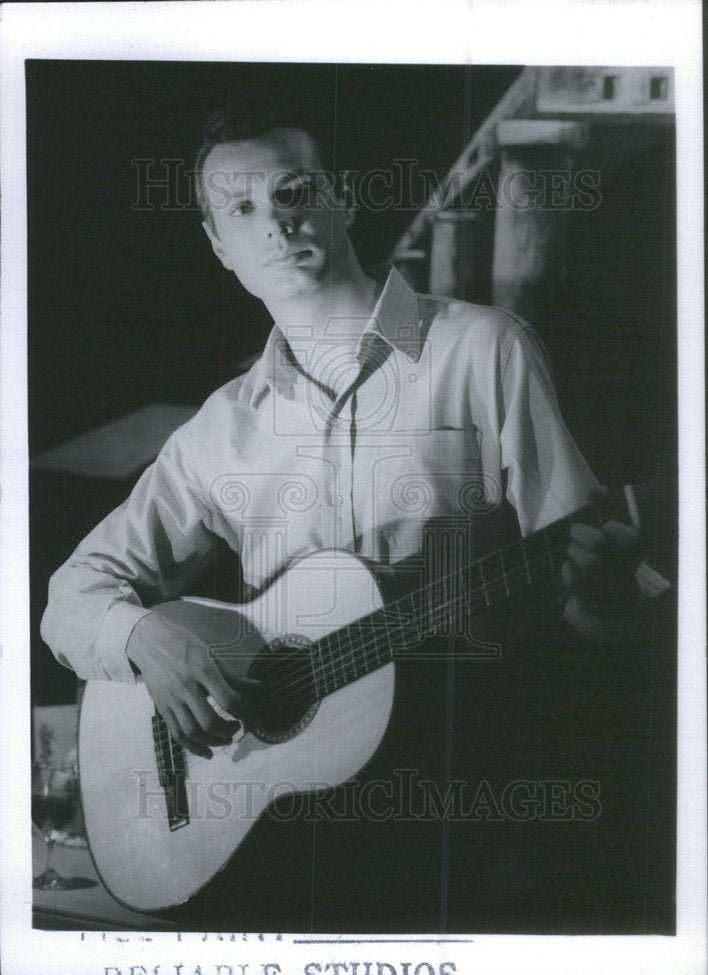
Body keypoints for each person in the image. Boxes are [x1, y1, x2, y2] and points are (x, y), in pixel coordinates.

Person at [40, 109, 657, 925]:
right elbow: (67, 598)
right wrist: (141, 636)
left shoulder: (484, 350)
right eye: (242, 210)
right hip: (277, 829)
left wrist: (609, 591)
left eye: (295, 192)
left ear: (344, 200)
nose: (278, 222)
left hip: (458, 816)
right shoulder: (219, 430)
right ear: (219, 246)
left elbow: (589, 580)